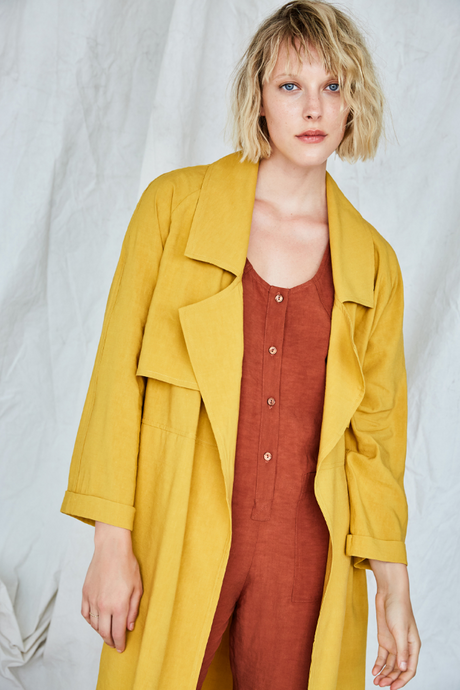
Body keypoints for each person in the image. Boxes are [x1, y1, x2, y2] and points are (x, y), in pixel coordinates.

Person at [60, 1, 421, 689]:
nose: (313, 107)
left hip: (303, 565)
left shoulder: (374, 266)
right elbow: (115, 381)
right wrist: (110, 540)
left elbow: (376, 443)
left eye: (333, 85)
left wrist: (393, 587)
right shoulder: (173, 210)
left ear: (353, 102)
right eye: (290, 85)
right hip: (175, 539)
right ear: (258, 98)